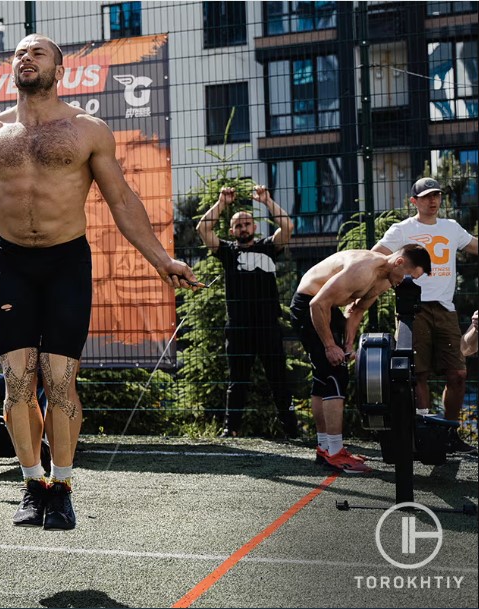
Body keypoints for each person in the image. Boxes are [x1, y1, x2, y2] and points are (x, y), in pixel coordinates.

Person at [0, 34, 198, 531]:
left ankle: (62, 487)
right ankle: (32, 484)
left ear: (60, 69)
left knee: (59, 383)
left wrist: (162, 258)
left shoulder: (87, 130)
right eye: (19, 53)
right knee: (17, 383)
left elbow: (122, 201)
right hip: (11, 265)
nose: (25, 58)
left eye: (37, 53)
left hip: (66, 264)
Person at [290, 245, 432, 474]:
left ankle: (325, 447)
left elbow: (356, 311)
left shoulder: (386, 279)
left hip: (326, 308)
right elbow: (316, 304)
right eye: (409, 277)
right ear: (399, 263)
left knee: (325, 378)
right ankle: (334, 453)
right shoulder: (362, 269)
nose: (406, 283)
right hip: (308, 306)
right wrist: (329, 345)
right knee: (335, 372)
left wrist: (347, 344)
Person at [372, 177, 478, 455]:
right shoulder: (401, 230)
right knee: (417, 375)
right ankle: (420, 434)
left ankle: (449, 433)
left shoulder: (451, 228)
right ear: (414, 201)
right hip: (411, 309)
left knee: (458, 374)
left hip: (445, 310)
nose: (433, 201)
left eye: (437, 195)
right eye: (427, 196)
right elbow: (375, 257)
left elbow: (475, 246)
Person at [196, 185, 297, 438]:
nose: (243, 228)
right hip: (239, 328)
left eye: (247, 224)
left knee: (278, 379)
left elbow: (288, 227)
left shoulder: (267, 247)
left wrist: (267, 201)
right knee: (237, 381)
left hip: (268, 326)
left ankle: (292, 430)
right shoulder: (228, 252)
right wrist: (221, 203)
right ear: (232, 231)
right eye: (238, 225)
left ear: (254, 227)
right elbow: (202, 229)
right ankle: (231, 430)